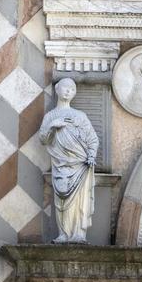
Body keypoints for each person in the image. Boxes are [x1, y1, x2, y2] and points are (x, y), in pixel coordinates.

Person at [38, 79, 99, 243]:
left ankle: (79, 233)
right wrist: (53, 126)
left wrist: (92, 154)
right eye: (66, 88)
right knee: (62, 199)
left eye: (72, 89)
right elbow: (43, 138)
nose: (68, 91)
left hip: (80, 163)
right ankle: (63, 234)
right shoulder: (50, 116)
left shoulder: (80, 116)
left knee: (80, 199)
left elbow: (92, 138)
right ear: (57, 89)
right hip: (60, 164)